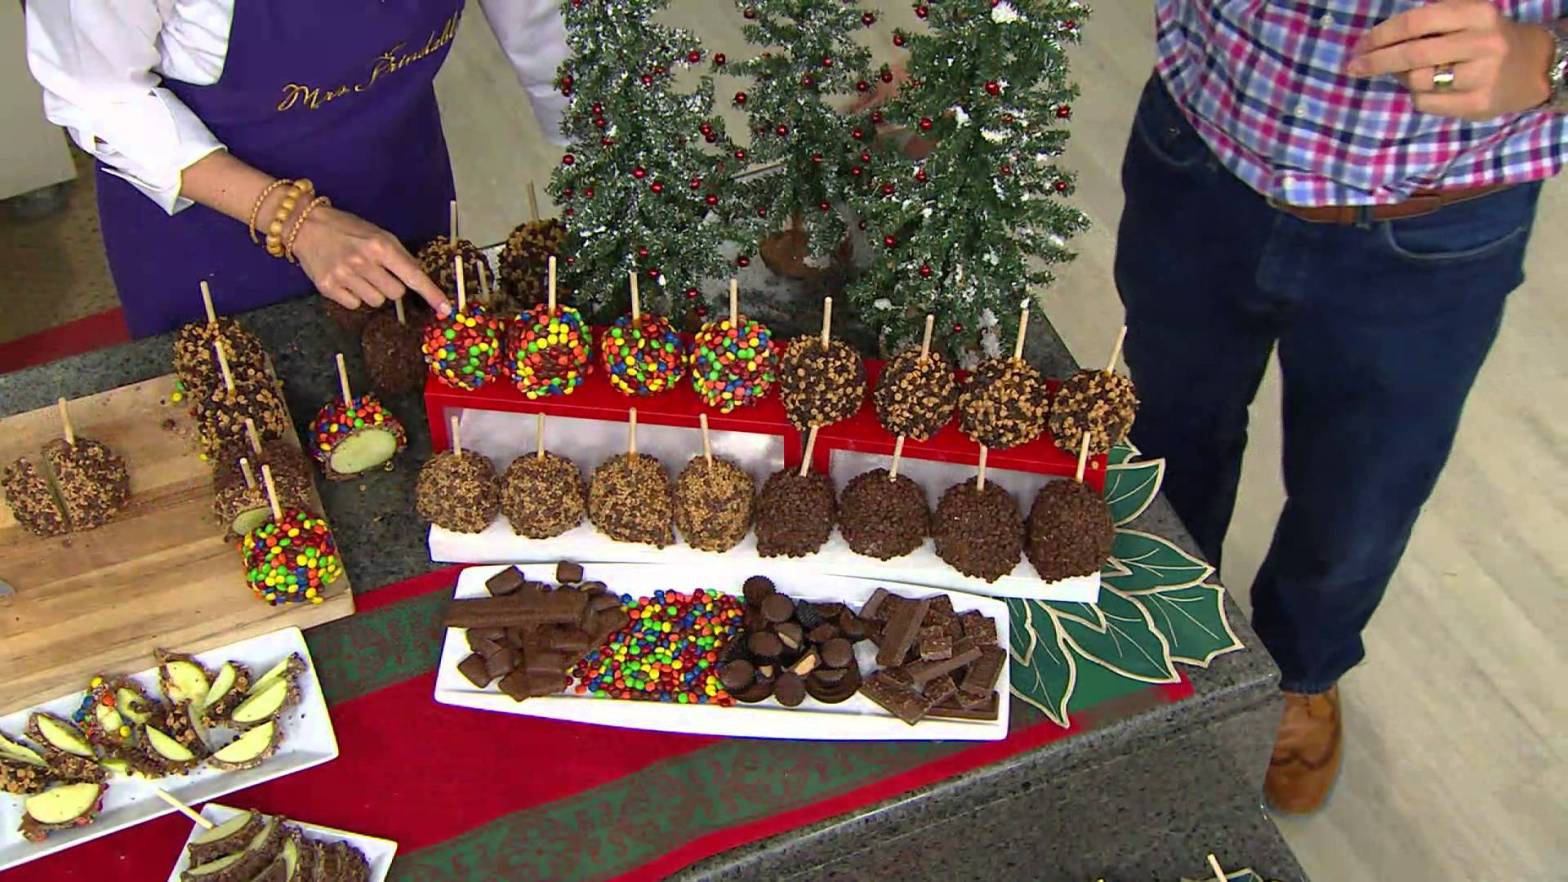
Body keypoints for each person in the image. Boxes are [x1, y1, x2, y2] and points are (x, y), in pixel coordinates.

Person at [1120, 0, 1566, 813]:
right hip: (1201, 146)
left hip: (1440, 210)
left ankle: (1302, 674)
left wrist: (1553, 60)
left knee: (1363, 497)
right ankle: (1158, 637)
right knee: (1164, 436)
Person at [25, 0, 568, 337]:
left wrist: (600, 161)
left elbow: (549, 31)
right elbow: (95, 96)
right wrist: (296, 220)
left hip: (398, 177)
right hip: (211, 234)